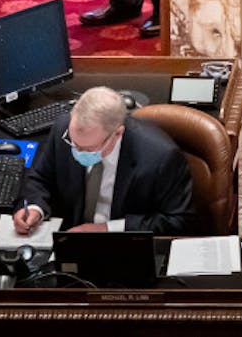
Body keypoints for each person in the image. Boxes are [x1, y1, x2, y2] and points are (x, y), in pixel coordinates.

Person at [12, 86, 195, 236]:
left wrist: (107, 229)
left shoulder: (160, 157)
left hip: (125, 245)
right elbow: (40, 178)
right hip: (69, 236)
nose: (77, 151)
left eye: (89, 148)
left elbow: (177, 221)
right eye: (73, 142)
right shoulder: (62, 129)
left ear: (117, 134)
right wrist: (35, 207)